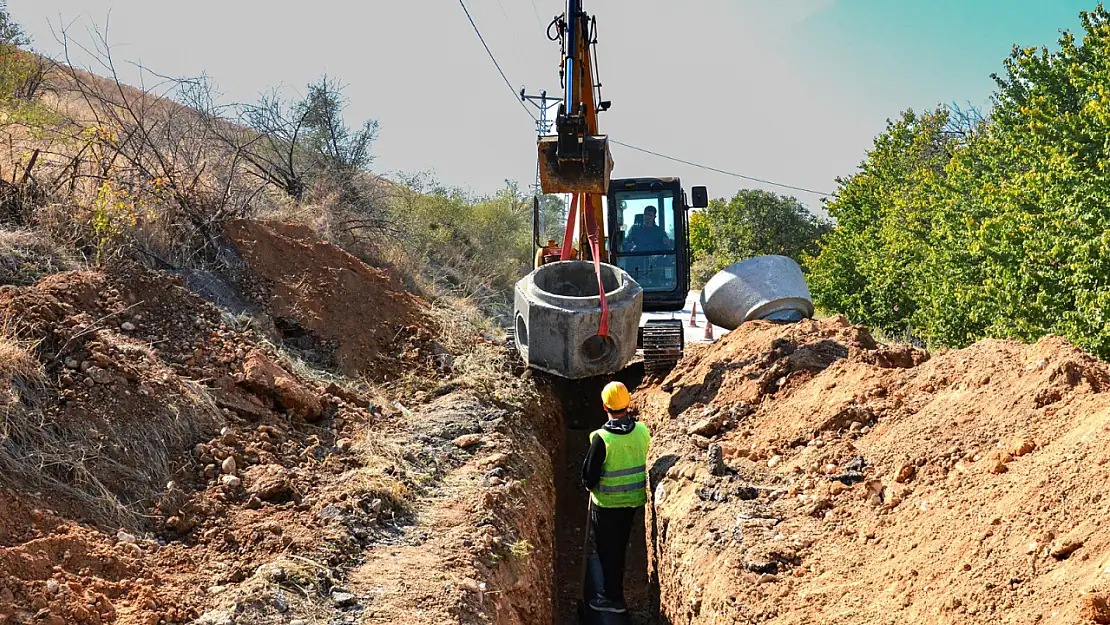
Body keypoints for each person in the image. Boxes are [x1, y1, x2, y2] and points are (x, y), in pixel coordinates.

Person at [580, 381, 651, 614]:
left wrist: (590, 485)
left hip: (608, 505)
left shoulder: (602, 438)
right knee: (618, 546)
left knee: (608, 551)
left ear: (604, 406)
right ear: (628, 404)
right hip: (633, 501)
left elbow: (589, 476)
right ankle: (614, 590)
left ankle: (613, 599)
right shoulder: (642, 431)